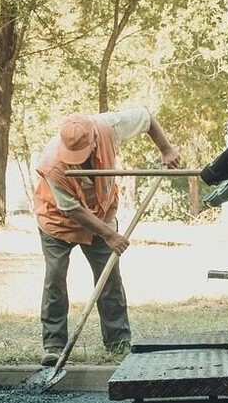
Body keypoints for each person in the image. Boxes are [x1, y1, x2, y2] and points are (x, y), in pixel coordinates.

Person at [34, 108, 182, 366]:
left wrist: (166, 150)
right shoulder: (51, 163)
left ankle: (118, 342)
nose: (76, 161)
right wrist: (110, 235)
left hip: (101, 214)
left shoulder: (108, 127)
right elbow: (71, 209)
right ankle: (54, 345)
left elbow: (146, 118)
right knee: (55, 276)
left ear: (93, 140)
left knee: (109, 277)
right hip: (57, 221)